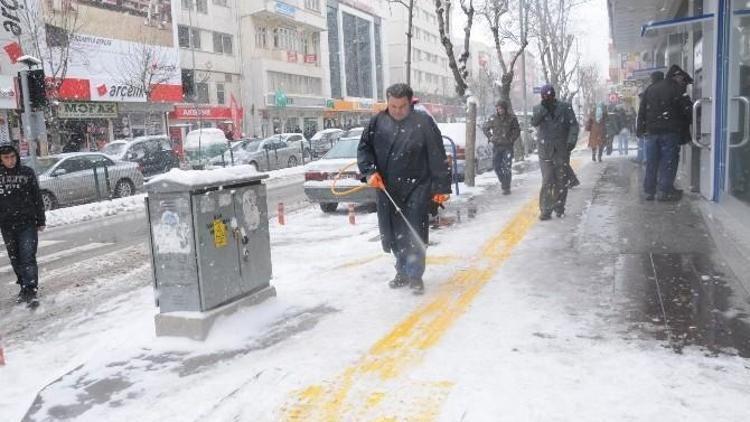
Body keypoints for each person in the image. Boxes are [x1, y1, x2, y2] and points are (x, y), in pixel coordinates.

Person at [357, 83, 451, 295]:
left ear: (410, 103)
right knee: (393, 232)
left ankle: (415, 274)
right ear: (387, 103)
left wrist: (441, 187)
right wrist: (369, 171)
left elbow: (437, 155)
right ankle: (401, 270)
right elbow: (364, 150)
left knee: (413, 229)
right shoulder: (377, 123)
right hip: (387, 187)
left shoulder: (423, 122)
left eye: (402, 106)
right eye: (393, 106)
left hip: (417, 185)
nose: (398, 111)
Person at [636, 64, 693, 201]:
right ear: (676, 76)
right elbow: (687, 109)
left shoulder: (650, 89)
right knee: (669, 161)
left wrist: (640, 129)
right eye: (681, 79)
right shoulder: (676, 88)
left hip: (652, 133)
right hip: (670, 132)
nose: (682, 82)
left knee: (652, 161)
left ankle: (649, 191)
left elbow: (642, 110)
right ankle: (664, 191)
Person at [0, 143, 46, 306]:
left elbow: (36, 197)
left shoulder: (27, 173)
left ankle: (31, 289)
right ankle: (23, 286)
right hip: (6, 225)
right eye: (6, 158)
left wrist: (41, 220)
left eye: (12, 157)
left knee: (27, 257)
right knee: (15, 259)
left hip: (27, 223)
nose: (10, 161)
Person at [530, 84, 580, 220]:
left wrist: (571, 141)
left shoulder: (565, 107)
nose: (548, 98)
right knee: (547, 180)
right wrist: (543, 109)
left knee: (561, 180)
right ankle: (545, 210)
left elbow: (573, 125)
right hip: (545, 151)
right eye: (545, 96)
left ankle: (559, 207)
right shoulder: (538, 109)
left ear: (554, 95)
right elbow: (534, 122)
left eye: (550, 95)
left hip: (562, 149)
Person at [482, 99, 520, 194]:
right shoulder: (493, 118)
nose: (499, 110)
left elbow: (517, 130)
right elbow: (485, 128)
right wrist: (490, 137)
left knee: (507, 166)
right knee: (496, 166)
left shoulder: (512, 118)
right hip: (497, 146)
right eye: (498, 108)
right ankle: (503, 182)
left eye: (501, 108)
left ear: (505, 109)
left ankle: (506, 187)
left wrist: (511, 139)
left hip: (507, 146)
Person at [635, 71, 665, 164]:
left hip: (651, 129)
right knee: (662, 155)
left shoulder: (649, 90)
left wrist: (640, 129)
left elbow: (642, 113)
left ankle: (648, 162)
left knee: (651, 157)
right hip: (664, 129)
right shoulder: (667, 89)